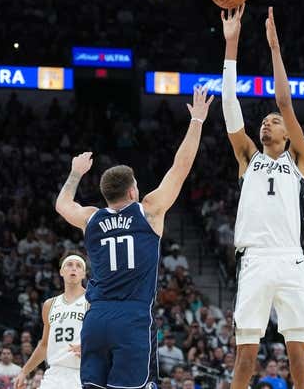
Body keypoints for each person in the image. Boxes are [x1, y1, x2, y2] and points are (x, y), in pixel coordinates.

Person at [55, 87, 212, 389]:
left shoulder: (91, 218)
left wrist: (75, 173)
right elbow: (180, 168)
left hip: (96, 320)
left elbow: (62, 205)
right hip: (132, 320)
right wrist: (197, 122)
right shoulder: (149, 212)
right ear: (132, 191)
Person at [220, 5, 304, 389]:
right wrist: (232, 45)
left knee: (299, 360)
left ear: (289, 135)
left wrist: (275, 48)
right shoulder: (248, 156)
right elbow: (230, 109)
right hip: (256, 259)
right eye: (265, 120)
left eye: (273, 122)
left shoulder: (299, 158)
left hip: (291, 260)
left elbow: (285, 103)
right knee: (245, 358)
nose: (267, 122)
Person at [14, 253, 88, 389]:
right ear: (61, 272)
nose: (74, 268)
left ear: (83, 274)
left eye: (78, 266)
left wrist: (90, 346)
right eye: (69, 265)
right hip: (54, 374)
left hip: (81, 373)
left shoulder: (91, 301)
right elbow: (44, 345)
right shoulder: (50, 304)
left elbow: (107, 336)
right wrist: (24, 371)